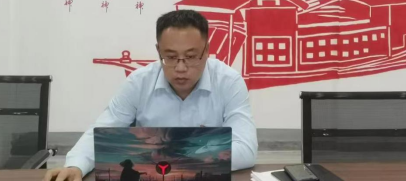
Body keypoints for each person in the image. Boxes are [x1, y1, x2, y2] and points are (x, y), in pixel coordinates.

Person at [43, 10, 258, 181]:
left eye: (191, 56)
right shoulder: (139, 83)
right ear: (158, 51)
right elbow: (104, 131)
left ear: (207, 50)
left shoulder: (228, 82)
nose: (181, 68)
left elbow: (246, 149)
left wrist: (159, 153)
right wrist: (76, 165)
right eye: (170, 57)